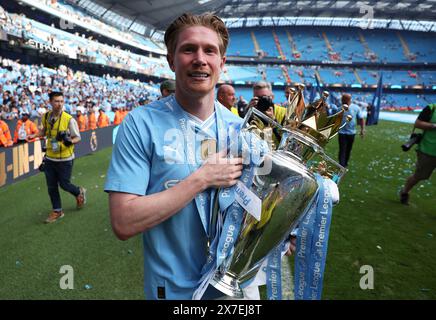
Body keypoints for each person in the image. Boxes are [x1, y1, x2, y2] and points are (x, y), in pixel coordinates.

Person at [105, 13, 294, 300]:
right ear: (171, 60)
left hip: (234, 291)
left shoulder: (243, 131)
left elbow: (262, 205)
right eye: (188, 49)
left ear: (222, 63)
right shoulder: (140, 123)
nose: (200, 59)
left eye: (210, 50)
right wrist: (202, 179)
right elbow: (123, 222)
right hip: (172, 292)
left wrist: (292, 214)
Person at [38, 91, 86, 223]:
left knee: (64, 184)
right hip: (49, 157)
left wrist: (69, 141)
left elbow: (78, 137)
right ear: (50, 102)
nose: (59, 104)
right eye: (56, 101)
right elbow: (43, 132)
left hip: (65, 159)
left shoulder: (69, 119)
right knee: (51, 186)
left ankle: (78, 192)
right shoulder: (46, 116)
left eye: (61, 101)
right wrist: (34, 135)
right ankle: (57, 211)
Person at [400, 103, 436, 205]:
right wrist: (434, 125)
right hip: (428, 150)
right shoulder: (431, 108)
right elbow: (418, 124)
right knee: (419, 176)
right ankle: (405, 191)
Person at [337, 93, 365, 168]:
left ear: (348, 99)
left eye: (343, 99)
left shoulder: (356, 108)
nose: (341, 100)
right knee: (342, 149)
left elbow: (361, 118)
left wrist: (362, 130)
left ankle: (345, 163)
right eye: (342, 99)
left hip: (351, 132)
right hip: (342, 132)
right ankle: (341, 165)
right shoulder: (340, 108)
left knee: (348, 149)